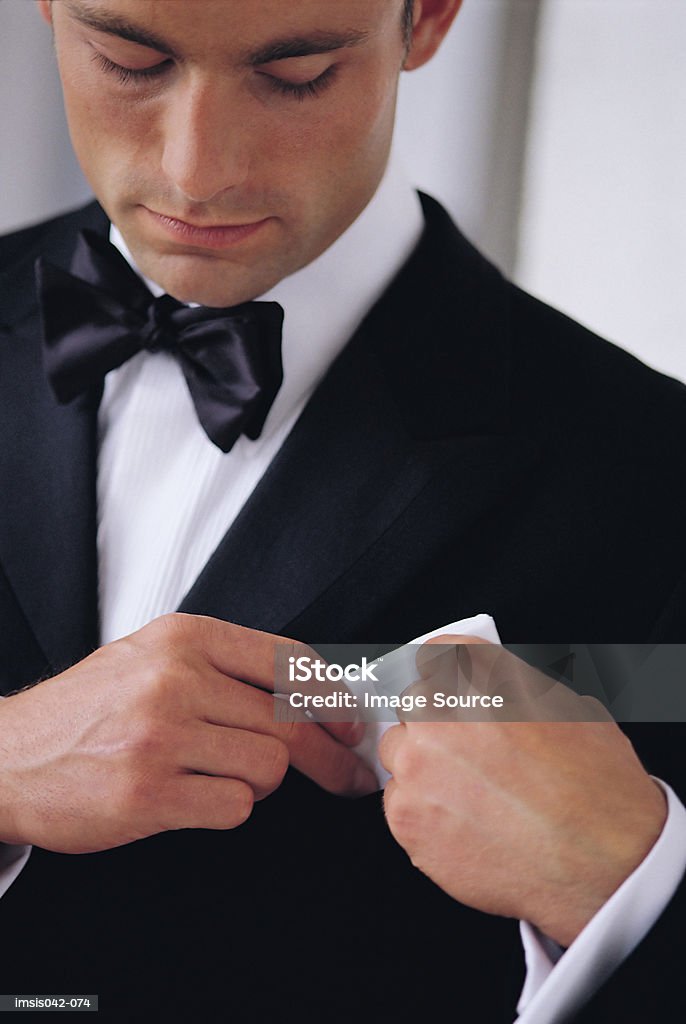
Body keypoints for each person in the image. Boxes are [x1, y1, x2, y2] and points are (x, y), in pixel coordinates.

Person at [0, 1, 684, 1020]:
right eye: (130, 59)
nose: (197, 169)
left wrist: (627, 884)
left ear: (430, 17)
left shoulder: (649, 469)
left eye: (295, 75)